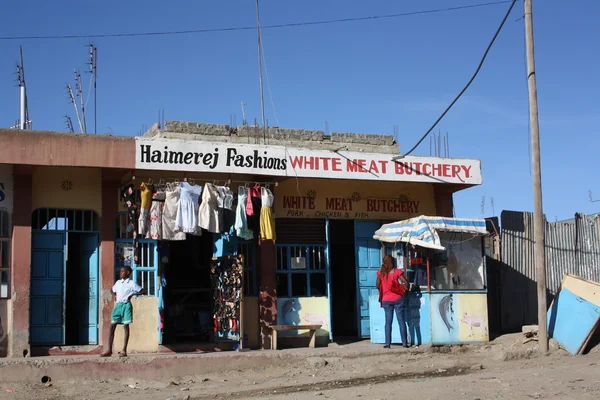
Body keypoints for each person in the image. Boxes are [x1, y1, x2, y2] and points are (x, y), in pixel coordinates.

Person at [100, 266, 144, 357]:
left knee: (126, 326)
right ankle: (109, 350)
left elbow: (142, 290)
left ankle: (124, 350)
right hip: (118, 306)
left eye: (122, 271)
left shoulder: (131, 283)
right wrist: (114, 295)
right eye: (120, 271)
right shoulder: (118, 283)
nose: (120, 273)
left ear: (128, 273)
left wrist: (132, 294)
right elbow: (112, 290)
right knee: (112, 326)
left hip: (126, 305)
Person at [376, 255, 409, 349]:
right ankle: (404, 343)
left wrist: (384, 289)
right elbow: (406, 283)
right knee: (401, 321)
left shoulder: (380, 273)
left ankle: (388, 344)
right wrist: (404, 290)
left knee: (388, 322)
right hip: (398, 299)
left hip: (386, 300)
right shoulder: (397, 271)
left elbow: (377, 285)